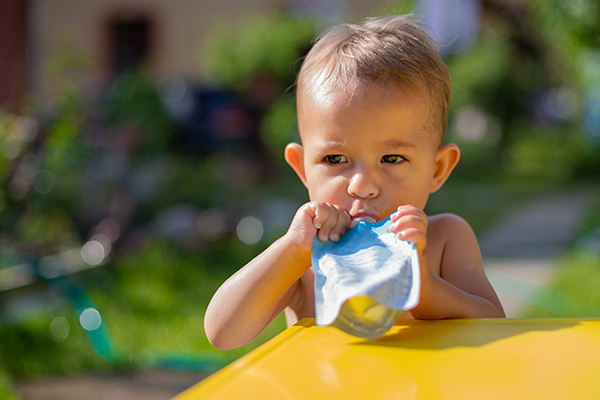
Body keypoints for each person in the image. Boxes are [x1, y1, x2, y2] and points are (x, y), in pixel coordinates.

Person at [205, 14, 505, 350]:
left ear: (437, 169)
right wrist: (291, 251)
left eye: (392, 159)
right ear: (302, 168)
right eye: (335, 159)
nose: (362, 186)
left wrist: (423, 288)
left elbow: (494, 323)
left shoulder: (445, 239)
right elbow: (222, 333)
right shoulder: (306, 260)